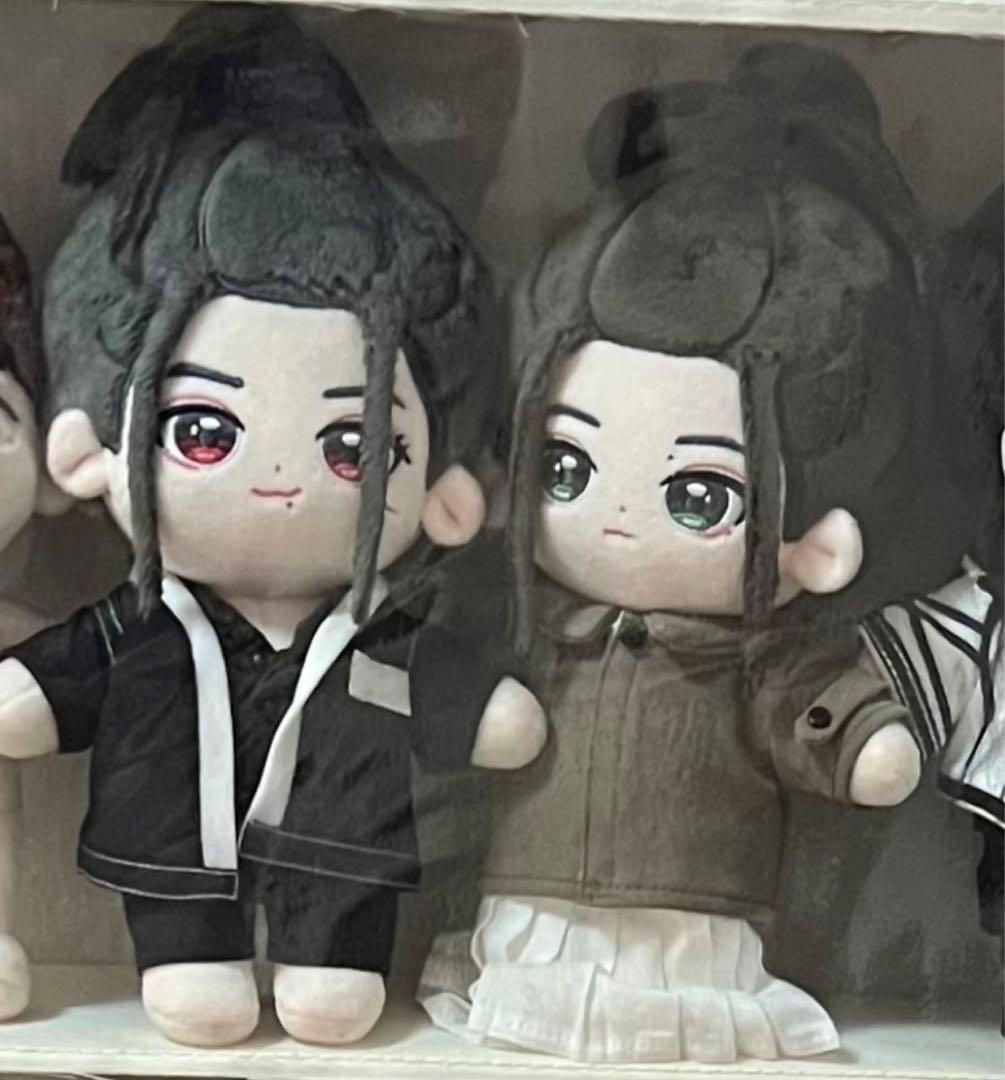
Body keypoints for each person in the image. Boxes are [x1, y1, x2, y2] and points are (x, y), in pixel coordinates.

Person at [0, 8, 544, 1048]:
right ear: (88, 455)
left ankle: (327, 960)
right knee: (194, 983)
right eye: (203, 432)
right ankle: (192, 957)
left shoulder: (382, 639)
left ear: (447, 496)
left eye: (354, 448)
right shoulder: (140, 628)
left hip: (347, 858)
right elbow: (45, 690)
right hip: (172, 859)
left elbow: (478, 709)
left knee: (334, 992)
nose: (288, 483)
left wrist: (487, 708)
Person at [420, 43, 969, 1063]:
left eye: (699, 494)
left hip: (701, 920)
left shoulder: (752, 658)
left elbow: (810, 705)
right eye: (566, 470)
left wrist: (858, 736)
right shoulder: (538, 623)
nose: (619, 519)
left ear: (817, 544)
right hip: (529, 905)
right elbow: (445, 676)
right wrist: (464, 704)